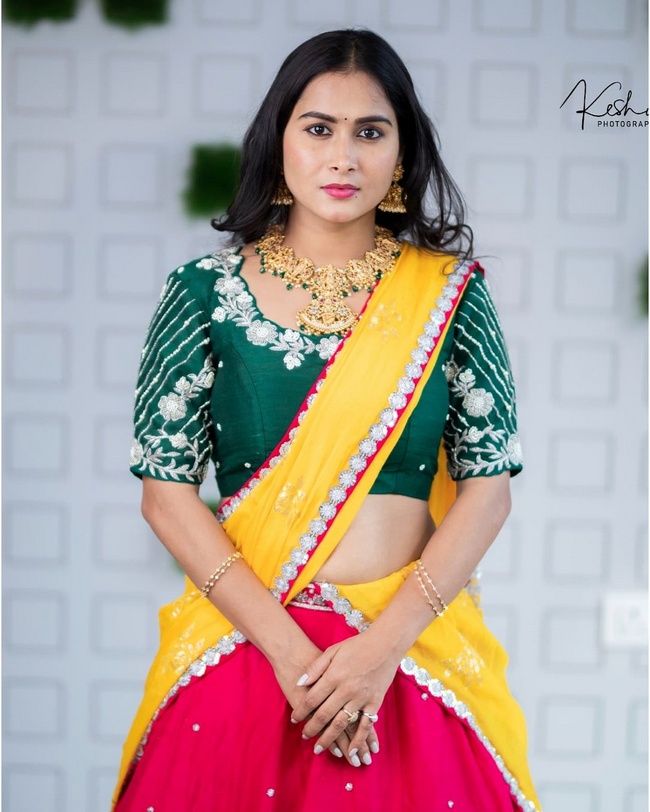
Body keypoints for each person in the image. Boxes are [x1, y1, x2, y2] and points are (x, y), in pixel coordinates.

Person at [113, 28, 540, 812]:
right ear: (278, 142)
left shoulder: (450, 293)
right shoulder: (204, 293)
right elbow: (164, 493)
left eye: (370, 132)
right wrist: (290, 655)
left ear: (401, 154)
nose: (343, 157)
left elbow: (489, 491)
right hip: (248, 650)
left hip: (405, 655)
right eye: (318, 129)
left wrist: (379, 651)